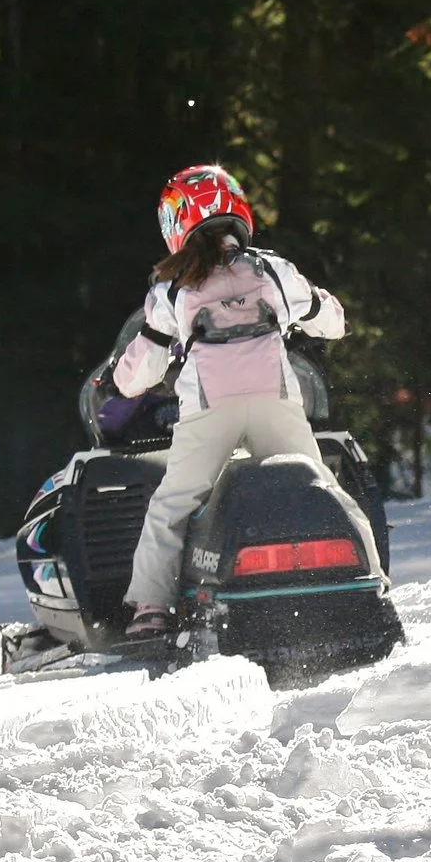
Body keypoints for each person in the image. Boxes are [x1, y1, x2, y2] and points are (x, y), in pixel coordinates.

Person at [112, 163, 362, 640]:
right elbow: (330, 321)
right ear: (237, 210)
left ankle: (152, 608)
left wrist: (118, 382)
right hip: (274, 401)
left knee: (172, 506)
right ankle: (366, 575)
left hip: (209, 412)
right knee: (320, 486)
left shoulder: (172, 289)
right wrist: (331, 315)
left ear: (176, 223)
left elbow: (142, 370)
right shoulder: (272, 270)